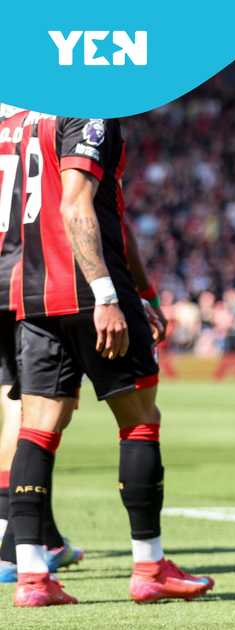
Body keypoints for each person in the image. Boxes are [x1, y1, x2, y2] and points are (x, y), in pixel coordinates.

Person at [6, 112, 210, 606]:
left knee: (37, 428)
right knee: (140, 420)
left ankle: (32, 578)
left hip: (32, 294)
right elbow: (76, 205)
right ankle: (150, 565)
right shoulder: (87, 111)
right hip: (86, 290)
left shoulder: (19, 122)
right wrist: (107, 295)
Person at [0, 105, 85, 584]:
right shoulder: (44, 123)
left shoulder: (9, 129)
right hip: (26, 273)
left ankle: (41, 534)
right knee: (38, 410)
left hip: (11, 273)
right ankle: (13, 541)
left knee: (28, 405)